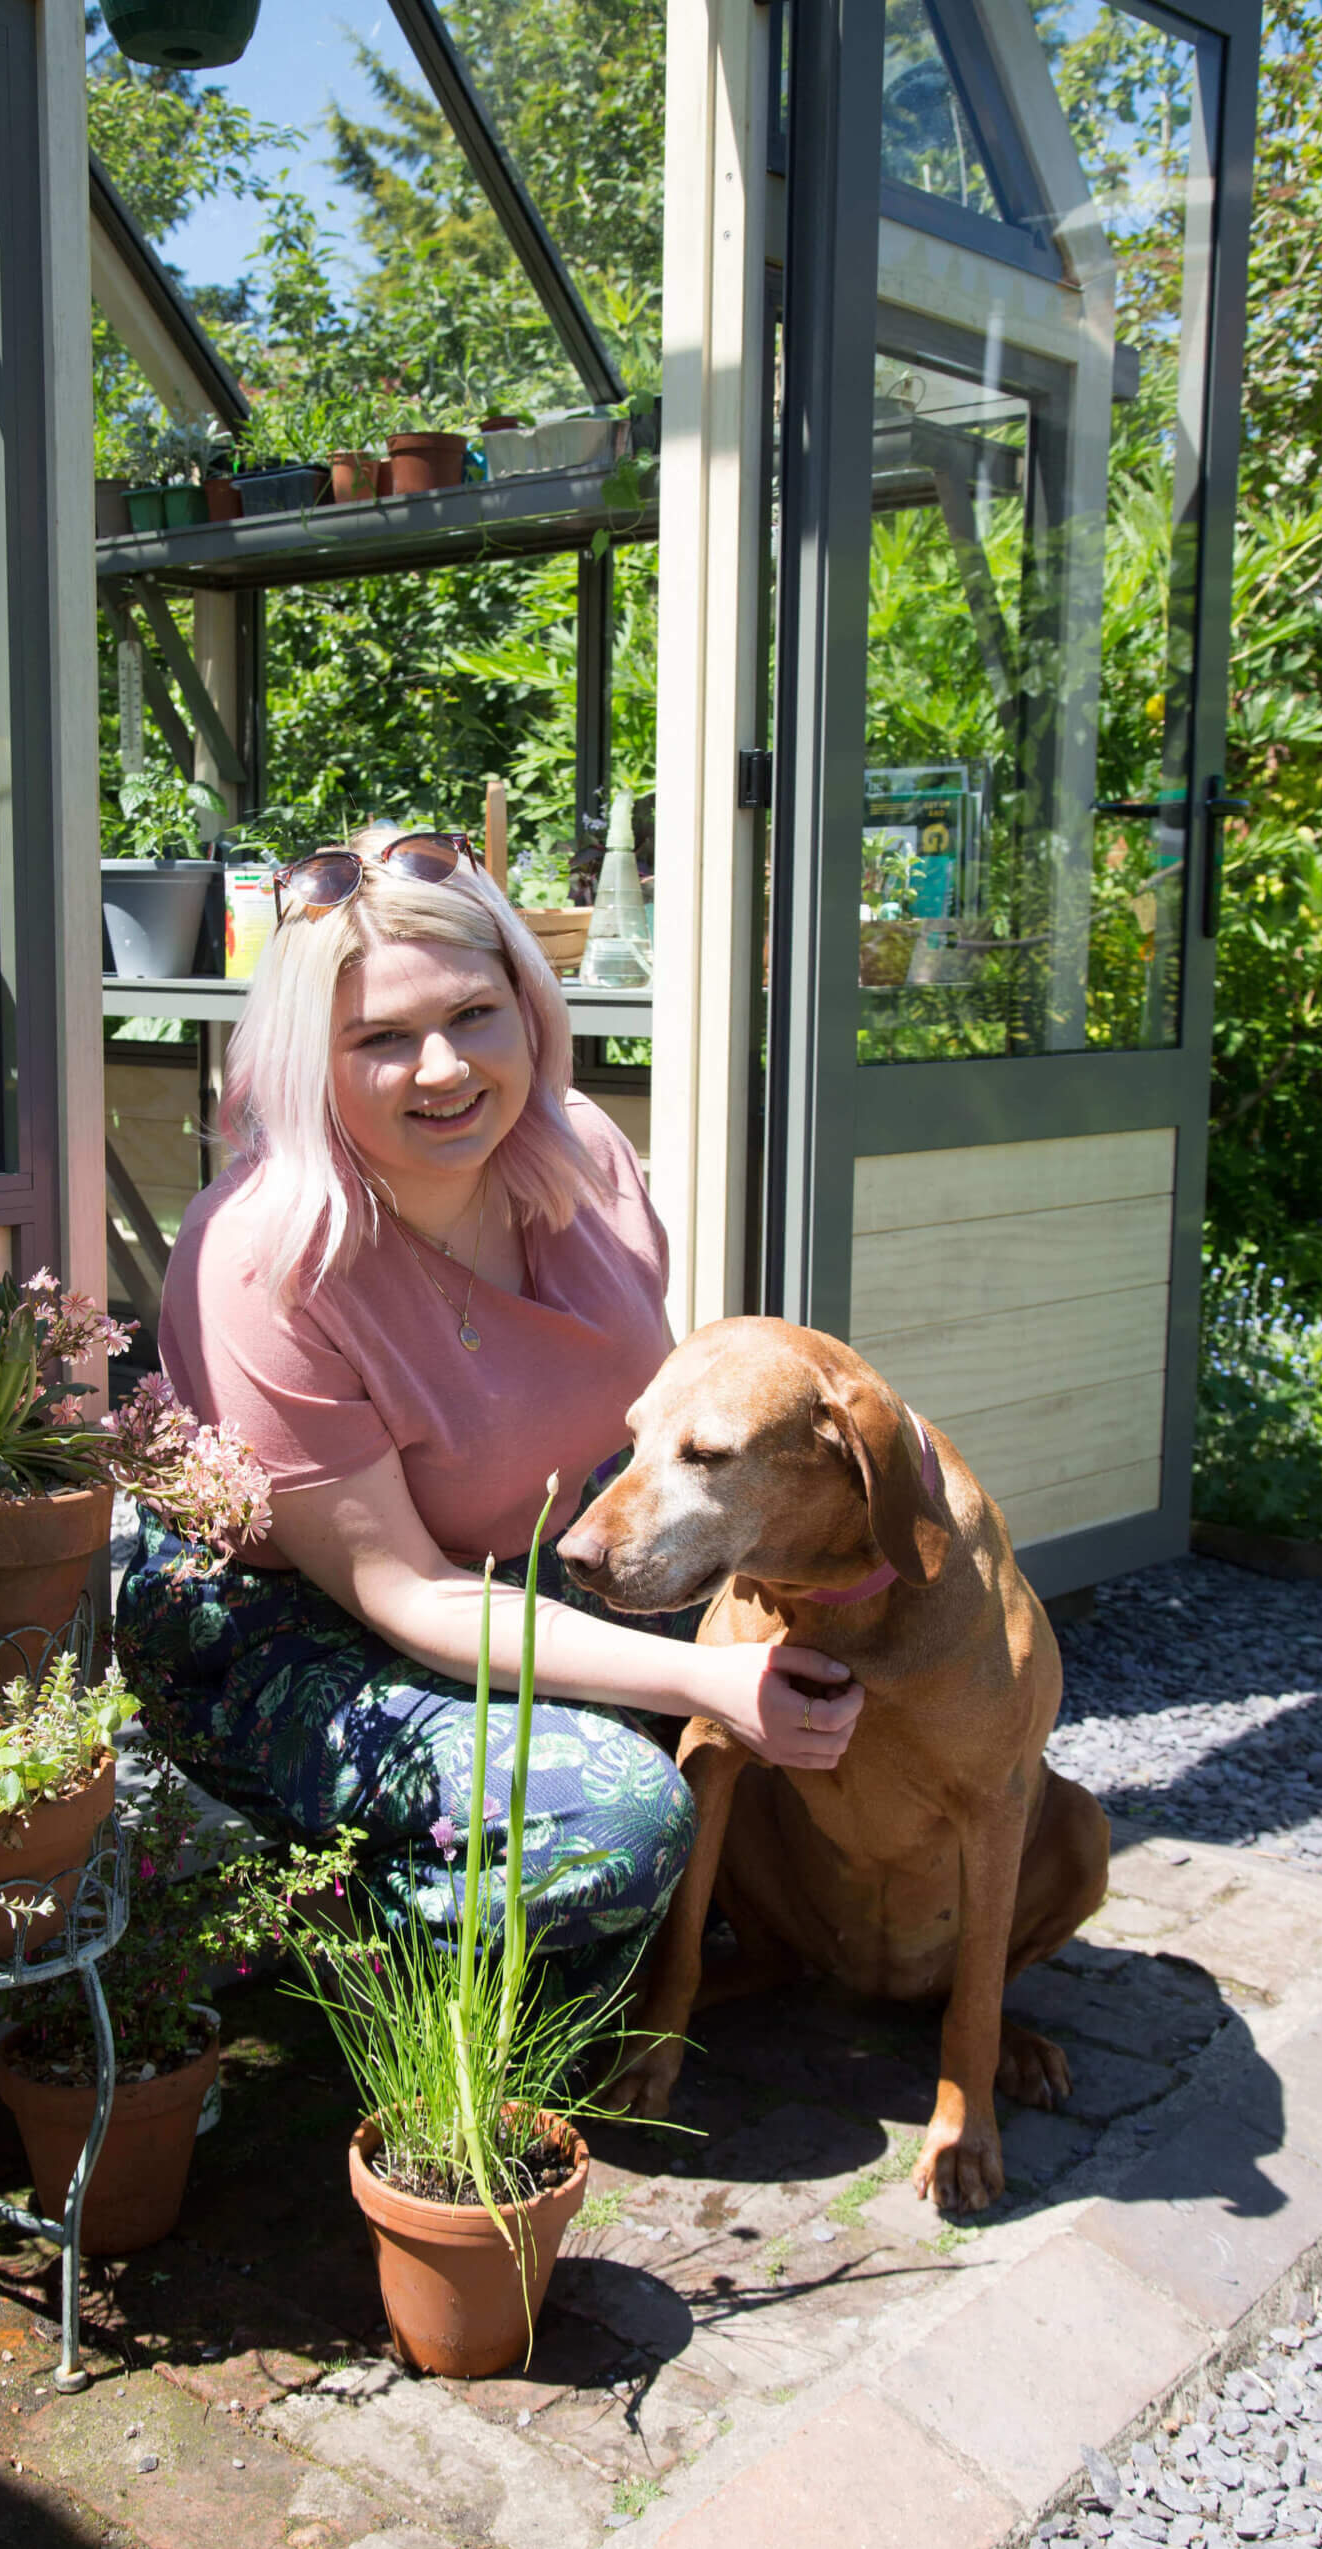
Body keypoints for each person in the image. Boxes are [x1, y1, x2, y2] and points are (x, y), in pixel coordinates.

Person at [115, 826, 864, 1997]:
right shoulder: (261, 1260)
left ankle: (568, 1937)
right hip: (299, 1625)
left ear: (528, 1005)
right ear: (311, 1062)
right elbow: (404, 1589)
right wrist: (701, 1684)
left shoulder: (583, 1158)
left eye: (473, 1014)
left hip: (534, 1562)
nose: (444, 1069)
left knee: (793, 1708)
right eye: (380, 1039)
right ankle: (329, 1938)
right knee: (623, 1821)